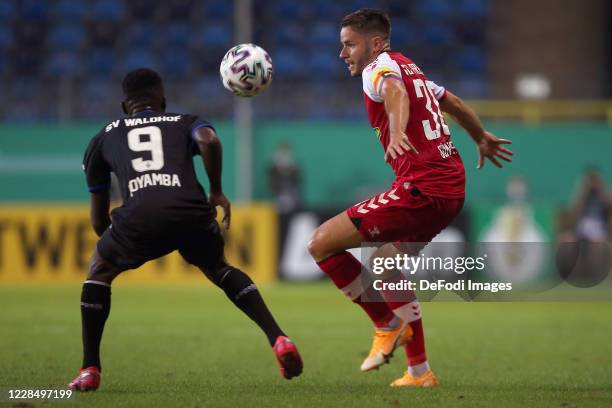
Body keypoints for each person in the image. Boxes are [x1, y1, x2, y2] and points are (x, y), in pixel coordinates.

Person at [308, 9, 512, 387]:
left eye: (349, 45)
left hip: (423, 187)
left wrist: (398, 131)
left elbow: (394, 93)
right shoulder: (409, 67)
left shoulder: (379, 69)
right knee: (385, 264)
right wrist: (480, 136)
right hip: (451, 187)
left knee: (321, 243)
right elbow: (450, 100)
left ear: (375, 43)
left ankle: (386, 324)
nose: (343, 54)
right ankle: (419, 372)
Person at [68, 68, 303, 391]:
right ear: (162, 101)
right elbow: (208, 139)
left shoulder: (103, 138)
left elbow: (98, 221)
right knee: (219, 268)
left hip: (138, 217)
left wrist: (119, 245)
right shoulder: (183, 121)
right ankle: (279, 338)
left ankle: (89, 369)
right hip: (192, 213)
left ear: (126, 106)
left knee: (98, 272)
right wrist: (217, 190)